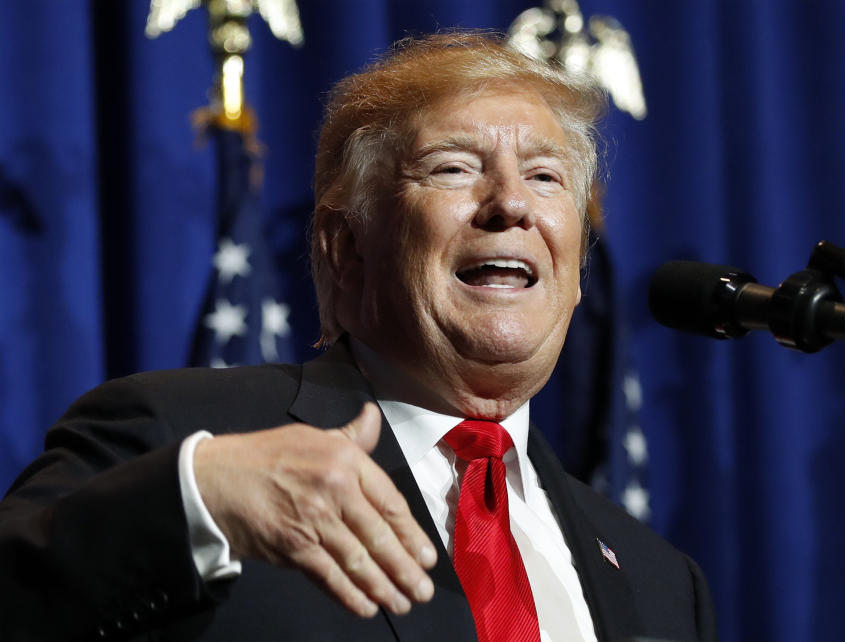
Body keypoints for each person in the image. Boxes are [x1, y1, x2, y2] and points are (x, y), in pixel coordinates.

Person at [0, 32, 716, 642]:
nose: (511, 203)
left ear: (577, 266)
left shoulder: (660, 582)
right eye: (454, 167)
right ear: (345, 247)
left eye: (545, 175)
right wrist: (198, 503)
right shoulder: (181, 440)